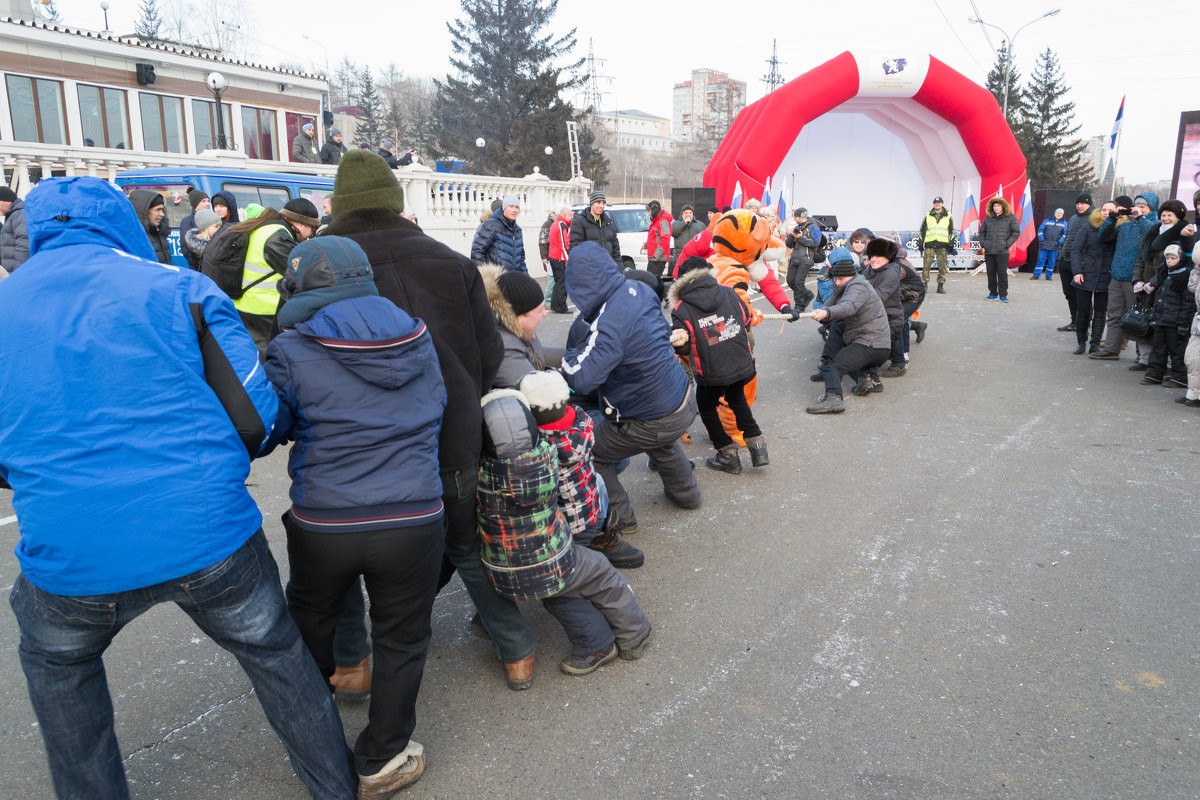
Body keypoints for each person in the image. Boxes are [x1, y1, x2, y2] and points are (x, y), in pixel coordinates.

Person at [0, 176, 356, 800]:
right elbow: (256, 418)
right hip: (206, 532)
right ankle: (334, 787)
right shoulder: (179, 290)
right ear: (123, 224)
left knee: (60, 668)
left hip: (70, 550)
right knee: (276, 655)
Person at [323, 151, 536, 691]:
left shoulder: (320, 264)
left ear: (340, 206)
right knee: (466, 547)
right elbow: (490, 357)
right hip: (452, 437)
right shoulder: (450, 261)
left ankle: (353, 665)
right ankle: (517, 652)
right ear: (396, 201)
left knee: (345, 560)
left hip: (358, 450)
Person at [266, 235, 445, 796]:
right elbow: (437, 406)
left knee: (310, 621)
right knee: (402, 637)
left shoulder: (291, 347)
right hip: (415, 515)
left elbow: (271, 427)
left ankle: (317, 745)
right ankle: (383, 756)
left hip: (327, 521)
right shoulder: (418, 335)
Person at [476, 386, 652, 676]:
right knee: (598, 577)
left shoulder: (482, 474)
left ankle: (486, 621)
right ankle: (623, 638)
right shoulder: (546, 460)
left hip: (500, 573)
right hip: (550, 560)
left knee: (556, 589)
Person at [561, 241, 701, 537]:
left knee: (591, 451)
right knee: (661, 440)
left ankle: (621, 517)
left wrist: (569, 358)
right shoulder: (637, 292)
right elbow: (662, 336)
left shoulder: (607, 320)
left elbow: (583, 378)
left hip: (652, 417)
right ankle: (687, 495)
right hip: (683, 399)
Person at [669, 257, 767, 474]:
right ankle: (758, 447)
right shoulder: (728, 291)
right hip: (742, 363)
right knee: (737, 398)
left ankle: (727, 453)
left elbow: (683, 347)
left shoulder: (681, 308)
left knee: (705, 406)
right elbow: (746, 321)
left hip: (713, 371)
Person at [227, 198, 320, 356]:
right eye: (312, 228)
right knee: (269, 355)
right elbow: (299, 272)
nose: (311, 234)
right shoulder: (277, 236)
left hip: (246, 303)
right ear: (301, 224)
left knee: (253, 352)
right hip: (263, 309)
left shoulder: (267, 226)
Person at [806, 247, 891, 414]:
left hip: (871, 344)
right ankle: (867, 380)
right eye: (835, 279)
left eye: (840, 279)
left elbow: (848, 306)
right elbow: (829, 304)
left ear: (850, 275)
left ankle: (833, 399)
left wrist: (826, 313)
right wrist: (817, 312)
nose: (837, 282)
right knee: (838, 333)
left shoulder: (858, 286)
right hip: (876, 345)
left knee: (833, 367)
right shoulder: (845, 286)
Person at [1090, 193, 1159, 361]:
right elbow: (1104, 237)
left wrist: (1141, 218)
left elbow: (1152, 235)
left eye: (1143, 207)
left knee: (1138, 317)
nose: (1138, 210)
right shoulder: (1126, 226)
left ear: (1152, 209)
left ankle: (1141, 357)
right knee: (1114, 314)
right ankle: (1111, 349)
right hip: (1117, 276)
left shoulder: (1155, 225)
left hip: (1137, 279)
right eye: (1137, 206)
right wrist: (1112, 218)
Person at [1141, 243, 1195, 388]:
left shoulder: (1184, 277)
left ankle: (1180, 377)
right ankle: (1154, 373)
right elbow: (1160, 297)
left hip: (1176, 321)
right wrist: (1155, 316)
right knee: (1158, 348)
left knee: (1177, 350)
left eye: (1173, 258)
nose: (1169, 261)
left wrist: (1184, 323)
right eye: (1167, 258)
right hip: (1162, 319)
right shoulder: (1166, 273)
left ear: (1181, 259)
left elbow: (1188, 302)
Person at [1069, 200, 1116, 355]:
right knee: (1082, 310)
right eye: (1104, 209)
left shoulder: (1120, 228)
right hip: (1085, 273)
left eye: (1110, 210)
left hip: (1106, 275)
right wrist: (1077, 272)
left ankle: (1095, 343)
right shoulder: (1088, 226)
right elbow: (1076, 249)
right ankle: (1081, 342)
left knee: (1101, 312)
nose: (1106, 212)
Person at [861, 238, 906, 378]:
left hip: (891, 316)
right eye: (871, 256)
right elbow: (858, 286)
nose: (873, 260)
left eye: (878, 256)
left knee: (890, 334)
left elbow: (878, 297)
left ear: (888, 257)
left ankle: (899, 364)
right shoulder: (869, 271)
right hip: (876, 315)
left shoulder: (891, 273)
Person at [1058, 193, 1094, 331]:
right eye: (1078, 203)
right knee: (1069, 294)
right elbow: (1068, 238)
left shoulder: (1093, 218)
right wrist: (1061, 256)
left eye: (1083, 203)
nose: (1080, 206)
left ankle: (1086, 324)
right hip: (1065, 260)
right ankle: (1074, 322)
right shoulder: (1073, 218)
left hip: (1080, 262)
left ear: (1089, 204)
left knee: (1082, 295)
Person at [977, 196, 1019, 302]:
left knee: (1002, 273)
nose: (996, 208)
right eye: (994, 205)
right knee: (990, 273)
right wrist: (983, 243)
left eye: (998, 205)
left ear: (1003, 206)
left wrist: (1007, 244)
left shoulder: (1011, 217)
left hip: (1002, 251)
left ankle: (1003, 295)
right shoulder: (988, 217)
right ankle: (993, 293)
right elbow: (982, 232)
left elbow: (1016, 232)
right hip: (989, 251)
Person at [471, 194, 526, 273]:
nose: (514, 210)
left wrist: (526, 280)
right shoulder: (491, 225)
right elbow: (477, 253)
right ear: (504, 208)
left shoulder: (518, 230)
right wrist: (485, 277)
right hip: (495, 281)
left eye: (517, 207)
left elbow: (521, 260)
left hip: (513, 281)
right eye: (511, 206)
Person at [570, 190, 621, 267]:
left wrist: (618, 270)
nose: (602, 206)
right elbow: (576, 250)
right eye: (598, 202)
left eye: (603, 203)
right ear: (591, 204)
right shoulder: (579, 222)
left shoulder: (608, 223)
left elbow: (616, 251)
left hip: (608, 271)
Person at [785, 207, 821, 310]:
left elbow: (815, 243)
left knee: (798, 283)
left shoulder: (814, 227)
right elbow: (789, 244)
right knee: (790, 281)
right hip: (795, 258)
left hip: (806, 259)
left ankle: (799, 306)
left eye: (795, 217)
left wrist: (801, 237)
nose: (795, 219)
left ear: (800, 217)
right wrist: (792, 236)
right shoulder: (797, 227)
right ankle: (808, 294)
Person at [918, 196, 955, 293]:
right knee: (926, 265)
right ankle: (924, 285)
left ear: (942, 204)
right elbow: (922, 230)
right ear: (933, 204)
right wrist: (921, 242)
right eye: (935, 202)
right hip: (930, 244)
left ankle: (940, 286)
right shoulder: (928, 215)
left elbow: (951, 231)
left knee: (942, 266)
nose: (937, 204)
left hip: (942, 244)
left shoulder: (948, 215)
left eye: (939, 202)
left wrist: (951, 243)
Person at [127, 188, 172, 264]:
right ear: (145, 212)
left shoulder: (158, 232)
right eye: (158, 210)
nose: (162, 214)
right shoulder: (134, 239)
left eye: (162, 210)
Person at [1181, 245, 1200, 407]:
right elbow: (1192, 287)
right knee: (1192, 358)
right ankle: (1193, 394)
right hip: (1198, 320)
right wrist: (1197, 269)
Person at [547, 206, 572, 313]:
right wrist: (568, 260)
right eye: (570, 215)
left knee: (558, 283)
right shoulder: (562, 225)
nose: (572, 217)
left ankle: (555, 305)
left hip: (553, 257)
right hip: (559, 258)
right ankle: (561, 307)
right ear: (566, 215)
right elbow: (563, 244)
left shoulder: (555, 223)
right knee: (562, 284)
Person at [177, 188, 210, 270]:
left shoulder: (211, 219)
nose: (208, 204)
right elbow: (185, 247)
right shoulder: (187, 221)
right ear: (195, 204)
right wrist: (196, 265)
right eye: (203, 201)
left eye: (208, 201)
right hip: (197, 267)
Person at [0, 185, 29, 272]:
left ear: (8, 201)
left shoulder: (19, 214)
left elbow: (24, 244)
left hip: (16, 274)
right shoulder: (13, 215)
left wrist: (18, 273)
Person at [1032, 208, 1067, 279]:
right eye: (1057, 213)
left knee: (1052, 261)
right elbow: (1040, 230)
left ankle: (1048, 276)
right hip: (1044, 244)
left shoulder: (1065, 224)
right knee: (1041, 260)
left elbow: (1065, 234)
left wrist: (1060, 242)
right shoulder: (1046, 221)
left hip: (1055, 246)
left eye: (1060, 213)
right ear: (1054, 213)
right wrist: (1041, 239)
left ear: (1062, 215)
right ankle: (1036, 275)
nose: (1059, 214)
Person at [645, 200, 673, 280]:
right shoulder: (657, 221)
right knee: (651, 281)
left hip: (658, 258)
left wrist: (657, 256)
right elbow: (655, 237)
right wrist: (646, 244)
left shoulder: (662, 221)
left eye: (650, 211)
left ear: (655, 210)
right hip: (654, 257)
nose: (649, 213)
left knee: (651, 282)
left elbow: (665, 239)